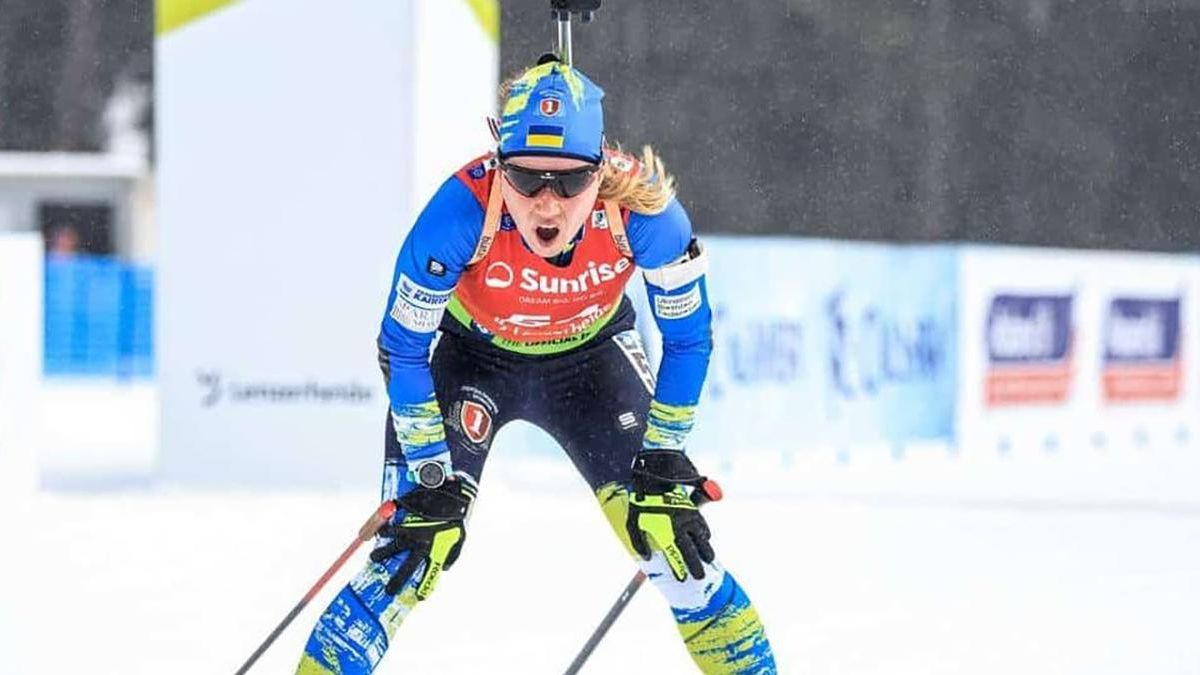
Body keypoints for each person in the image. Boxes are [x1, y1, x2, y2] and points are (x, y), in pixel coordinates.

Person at [297, 57, 777, 674]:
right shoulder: (459, 212)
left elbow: (688, 338)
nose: (547, 204)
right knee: (411, 554)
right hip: (473, 360)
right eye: (525, 178)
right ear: (500, 165)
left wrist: (663, 453)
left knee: (675, 551)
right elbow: (402, 346)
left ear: (600, 170)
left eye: (569, 182)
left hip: (592, 366)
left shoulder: (646, 212)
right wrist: (431, 471)